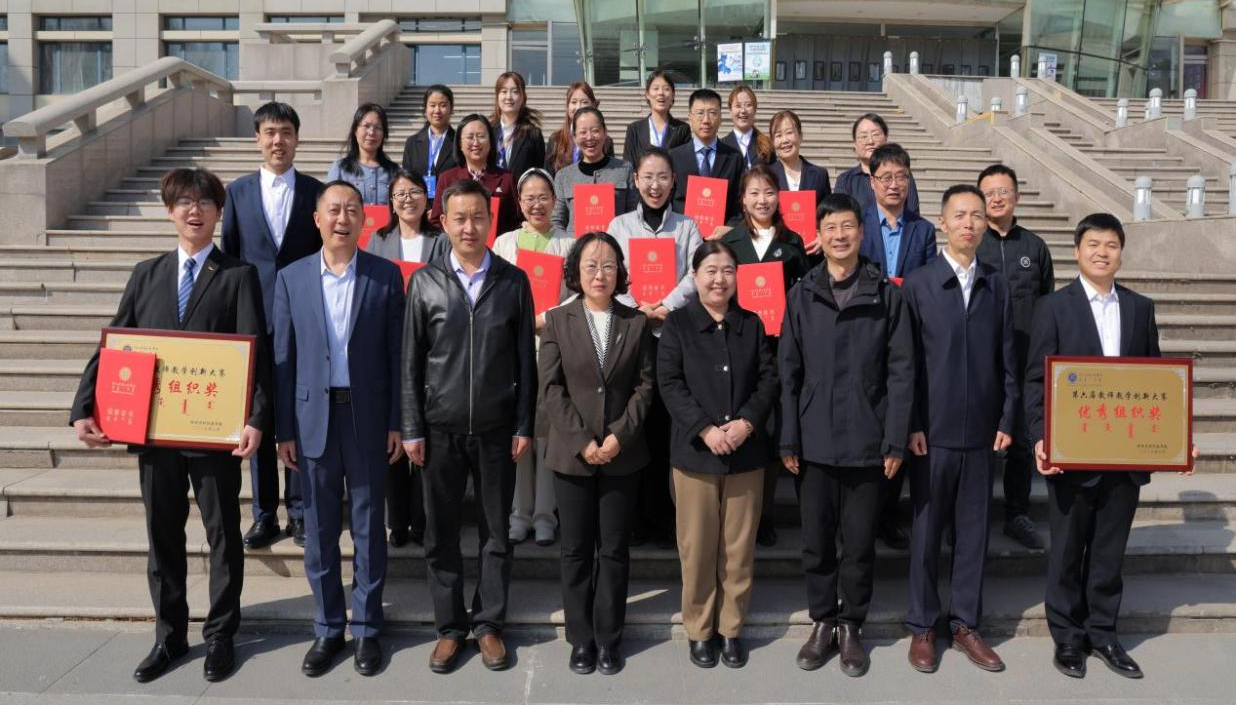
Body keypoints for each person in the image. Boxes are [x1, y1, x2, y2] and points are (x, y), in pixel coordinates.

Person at [71, 167, 269, 684]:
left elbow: (256, 353)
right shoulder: (147, 273)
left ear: (219, 212)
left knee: (223, 534)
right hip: (155, 431)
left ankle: (221, 634)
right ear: (169, 211)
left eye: (204, 202)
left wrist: (256, 418)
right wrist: (84, 407)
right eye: (184, 202)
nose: (194, 211)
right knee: (162, 535)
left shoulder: (238, 275)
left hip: (213, 432)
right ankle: (170, 634)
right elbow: (115, 344)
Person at [1025, 213, 1198, 680]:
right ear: (1077, 252)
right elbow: (1035, 380)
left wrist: (1177, 439)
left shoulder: (1140, 308)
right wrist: (1040, 437)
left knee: (1109, 550)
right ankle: (1068, 637)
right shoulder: (1052, 307)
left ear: (1121, 253)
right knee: (1067, 551)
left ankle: (1103, 633)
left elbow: (1158, 381)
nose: (1102, 252)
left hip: (1123, 456)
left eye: (1112, 245)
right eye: (1094, 244)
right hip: (1071, 454)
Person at [402, 179, 537, 674]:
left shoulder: (512, 281)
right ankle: (449, 628)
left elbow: (525, 360)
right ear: (444, 221)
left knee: (496, 532)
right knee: (440, 532)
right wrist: (412, 427)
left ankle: (489, 623)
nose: (469, 227)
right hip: (440, 429)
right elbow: (411, 362)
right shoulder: (425, 282)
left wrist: (523, 422)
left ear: (491, 221)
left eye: (478, 217)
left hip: (498, 428)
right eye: (459, 218)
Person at [273, 181, 405, 678]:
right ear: (317, 219)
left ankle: (367, 627)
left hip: (366, 417)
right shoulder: (291, 278)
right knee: (320, 530)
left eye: (352, 210)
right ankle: (328, 627)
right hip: (313, 420)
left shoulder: (385, 276)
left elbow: (397, 354)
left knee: (369, 528)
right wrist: (284, 428)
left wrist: (396, 420)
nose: (342, 219)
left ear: (364, 221)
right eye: (333, 210)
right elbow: (283, 358)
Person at [781, 193, 914, 677]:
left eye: (847, 227)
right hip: (814, 438)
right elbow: (789, 371)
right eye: (830, 228)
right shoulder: (802, 293)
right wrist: (788, 437)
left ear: (861, 232)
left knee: (858, 544)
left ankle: (852, 625)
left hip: (866, 439)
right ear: (818, 236)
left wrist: (895, 439)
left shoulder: (886, 295)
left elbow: (902, 372)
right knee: (816, 542)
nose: (839, 236)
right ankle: (823, 622)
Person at [902, 184, 1018, 675]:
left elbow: (1008, 358)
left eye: (976, 215)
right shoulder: (919, 283)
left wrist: (1008, 418)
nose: (969, 223)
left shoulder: (997, 284)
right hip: (932, 432)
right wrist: (911, 422)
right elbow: (906, 363)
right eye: (959, 215)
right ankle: (923, 625)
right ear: (942, 223)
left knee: (974, 533)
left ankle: (966, 623)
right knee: (927, 533)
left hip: (981, 432)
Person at [657, 240, 779, 670]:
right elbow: (669, 383)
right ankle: (699, 629)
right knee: (697, 548)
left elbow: (768, 379)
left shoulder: (751, 323)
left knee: (738, 550)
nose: (719, 279)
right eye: (710, 270)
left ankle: (731, 628)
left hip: (746, 455)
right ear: (694, 277)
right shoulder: (678, 324)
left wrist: (747, 423)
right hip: (695, 455)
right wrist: (706, 429)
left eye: (727, 270)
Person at [539, 232, 656, 676]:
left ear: (620, 271)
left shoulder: (635, 322)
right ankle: (580, 639)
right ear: (575, 271)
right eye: (590, 265)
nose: (600, 274)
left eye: (608, 265)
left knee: (613, 550)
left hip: (622, 455)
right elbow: (551, 388)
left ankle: (608, 638)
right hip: (573, 456)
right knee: (574, 551)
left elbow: (645, 386)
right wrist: (583, 441)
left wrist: (618, 437)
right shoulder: (558, 320)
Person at [221, 101, 321, 551]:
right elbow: (230, 257)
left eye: (286, 132)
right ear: (257, 139)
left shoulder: (316, 192)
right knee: (258, 414)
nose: (278, 141)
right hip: (254, 319)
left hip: (303, 318)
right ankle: (264, 514)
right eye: (270, 133)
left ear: (297, 138)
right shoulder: (238, 193)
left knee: (298, 413)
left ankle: (299, 511)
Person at [606, 147, 705, 549]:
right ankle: (632, 518)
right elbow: (611, 273)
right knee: (632, 427)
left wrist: (665, 305)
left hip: (672, 337)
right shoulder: (619, 225)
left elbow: (696, 274)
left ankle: (664, 519)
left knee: (665, 429)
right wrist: (639, 308)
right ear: (635, 180)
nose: (655, 185)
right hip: (631, 335)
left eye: (663, 176)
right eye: (647, 176)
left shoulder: (687, 226)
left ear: (674, 181)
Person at [719, 164, 811, 547]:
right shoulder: (730, 241)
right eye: (754, 193)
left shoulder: (793, 242)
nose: (762, 200)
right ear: (742, 199)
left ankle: (764, 515)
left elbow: (803, 295)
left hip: (779, 349)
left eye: (769, 192)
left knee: (771, 432)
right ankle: (735, 514)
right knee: (740, 424)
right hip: (736, 347)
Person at [859, 142, 937, 551]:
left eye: (901, 177)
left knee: (899, 424)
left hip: (907, 334)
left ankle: (887, 516)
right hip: (864, 333)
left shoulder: (923, 231)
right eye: (886, 177)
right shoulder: (857, 224)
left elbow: (927, 283)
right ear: (871, 182)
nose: (894, 185)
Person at [365, 170, 448, 548]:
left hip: (432, 347)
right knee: (394, 436)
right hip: (389, 345)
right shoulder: (378, 240)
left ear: (426, 199)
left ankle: (423, 519)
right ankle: (397, 520)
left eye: (414, 192)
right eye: (400, 194)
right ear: (391, 202)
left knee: (426, 438)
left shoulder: (440, 240)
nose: (407, 199)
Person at [493, 168, 574, 546]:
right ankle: (519, 513)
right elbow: (494, 292)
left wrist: (546, 318)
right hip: (513, 348)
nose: (537, 204)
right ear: (519, 202)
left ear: (555, 202)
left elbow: (578, 295)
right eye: (530, 197)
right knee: (518, 431)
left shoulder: (569, 244)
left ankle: (545, 514)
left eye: (544, 197)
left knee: (548, 433)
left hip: (553, 347)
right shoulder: (504, 243)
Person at [975, 164, 1055, 551]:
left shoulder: (1035, 247)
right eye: (989, 192)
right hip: (980, 361)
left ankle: (1016, 514)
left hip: (1024, 361)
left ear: (1017, 197)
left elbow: (1048, 304)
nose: (997, 198)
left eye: (1003, 190)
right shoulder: (974, 243)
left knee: (1022, 440)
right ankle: (972, 514)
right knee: (979, 440)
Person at [550, 107, 637, 236]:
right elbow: (557, 221)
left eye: (595, 131)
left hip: (616, 245)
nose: (589, 137)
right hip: (575, 246)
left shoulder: (624, 169)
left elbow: (634, 215)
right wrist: (568, 244)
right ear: (574, 136)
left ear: (605, 132)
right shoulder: (563, 176)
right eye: (583, 132)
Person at [428, 113, 518, 235]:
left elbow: (517, 221)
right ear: (460, 144)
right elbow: (436, 222)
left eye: (481, 136)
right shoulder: (447, 179)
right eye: (470, 137)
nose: (476, 142)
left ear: (491, 142)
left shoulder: (507, 179)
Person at [669, 88, 744, 229]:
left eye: (712, 113)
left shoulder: (734, 157)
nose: (706, 120)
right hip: (682, 233)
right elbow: (669, 200)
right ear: (690, 118)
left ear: (720, 118)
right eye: (700, 113)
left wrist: (729, 229)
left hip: (722, 236)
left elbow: (738, 203)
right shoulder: (674, 157)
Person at [767, 109, 831, 259]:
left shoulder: (819, 175)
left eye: (789, 133)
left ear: (800, 136)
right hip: (776, 253)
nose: (785, 140)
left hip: (812, 255)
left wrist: (822, 237)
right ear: (773, 142)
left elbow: (828, 215)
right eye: (778, 135)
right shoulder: (766, 176)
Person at [834, 113, 921, 215]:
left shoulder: (901, 175)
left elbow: (912, 213)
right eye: (863, 136)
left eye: (875, 135)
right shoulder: (845, 180)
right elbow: (840, 216)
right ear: (855, 144)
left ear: (885, 138)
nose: (870, 141)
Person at [327, 102, 399, 205]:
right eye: (366, 126)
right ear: (355, 130)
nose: (371, 132)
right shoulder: (340, 168)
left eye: (378, 127)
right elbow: (330, 204)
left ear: (384, 134)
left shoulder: (394, 171)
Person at [622, 69, 691, 166]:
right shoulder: (634, 130)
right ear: (647, 94)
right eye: (656, 88)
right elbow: (628, 166)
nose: (661, 93)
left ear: (673, 95)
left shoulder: (682, 129)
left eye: (666, 89)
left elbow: (685, 165)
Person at [401, 84, 458, 200]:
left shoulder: (459, 142)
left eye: (443, 105)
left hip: (448, 206)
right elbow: (407, 180)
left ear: (451, 109)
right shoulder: (412, 143)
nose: (437, 110)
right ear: (425, 109)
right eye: (432, 105)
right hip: (419, 206)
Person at [545, 81, 614, 174]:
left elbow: (610, 174)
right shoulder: (555, 140)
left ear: (593, 105)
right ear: (567, 106)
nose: (578, 107)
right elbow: (548, 176)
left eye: (584, 102)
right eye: (574, 102)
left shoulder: (605, 141)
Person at [490, 71, 545, 182]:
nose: (509, 97)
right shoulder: (488, 131)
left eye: (515, 92)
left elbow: (539, 172)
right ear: (497, 97)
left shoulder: (533, 134)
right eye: (504, 91)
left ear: (523, 97)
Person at [721, 85, 773, 172]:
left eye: (748, 105)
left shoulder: (767, 144)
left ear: (755, 109)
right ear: (730, 110)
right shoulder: (721, 146)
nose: (743, 111)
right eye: (738, 106)